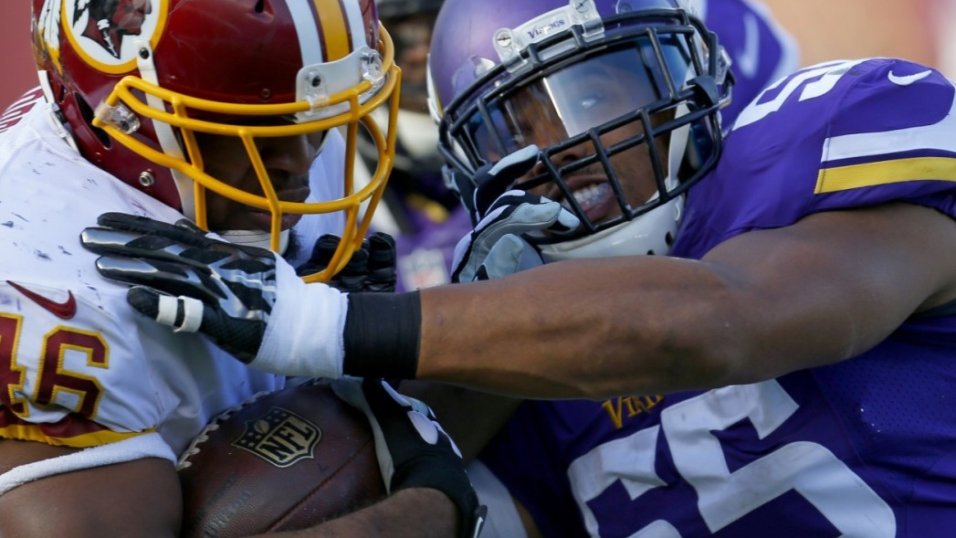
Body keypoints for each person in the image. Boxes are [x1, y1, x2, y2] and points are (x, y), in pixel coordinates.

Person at [80, 0, 956, 537]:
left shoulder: (828, 137)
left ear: (679, 75)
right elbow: (459, 515)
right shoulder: (528, 350)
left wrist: (317, 328)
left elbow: (725, 318)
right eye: (511, 128)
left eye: (591, 96)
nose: (560, 150)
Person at [0, 0, 482, 536]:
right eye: (254, 128)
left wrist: (353, 362)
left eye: (317, 118)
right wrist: (425, 514)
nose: (301, 164)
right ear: (115, 119)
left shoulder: (288, 107)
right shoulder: (38, 286)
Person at [354, 0, 474, 291]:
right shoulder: (339, 158)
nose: (421, 52)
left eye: (432, 31)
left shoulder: (503, 125)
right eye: (400, 37)